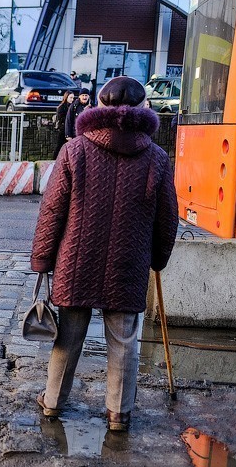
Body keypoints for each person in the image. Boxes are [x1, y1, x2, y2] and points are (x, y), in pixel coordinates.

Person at [31, 76, 179, 432]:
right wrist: (157, 258)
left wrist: (42, 260)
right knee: (125, 339)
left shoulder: (75, 150)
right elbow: (168, 217)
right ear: (144, 107)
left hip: (75, 260)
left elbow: (52, 210)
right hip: (128, 263)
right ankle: (118, 413)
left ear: (99, 104)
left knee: (69, 334)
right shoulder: (156, 157)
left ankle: (52, 402)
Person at [52, 91, 75, 158]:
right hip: (63, 129)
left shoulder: (72, 107)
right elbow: (61, 119)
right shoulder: (62, 107)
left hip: (69, 129)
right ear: (66, 97)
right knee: (60, 146)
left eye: (73, 98)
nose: (72, 99)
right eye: (70, 97)